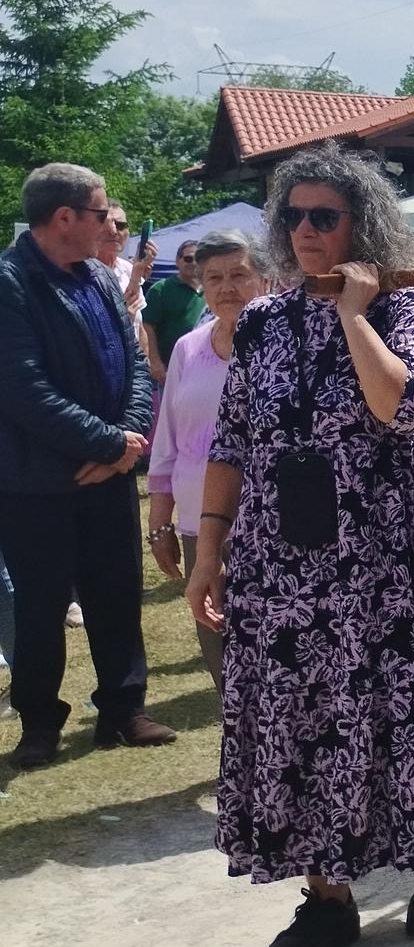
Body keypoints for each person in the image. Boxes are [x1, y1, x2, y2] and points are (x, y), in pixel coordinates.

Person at [183, 144, 414, 947]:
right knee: (297, 713)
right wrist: (208, 547)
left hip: (382, 555)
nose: (305, 230)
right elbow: (231, 441)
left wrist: (356, 314)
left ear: (362, 221)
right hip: (282, 556)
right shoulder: (259, 321)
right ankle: (326, 896)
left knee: (409, 701)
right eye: (294, 216)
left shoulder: (404, 306)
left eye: (324, 216)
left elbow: (396, 404)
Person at [0, 164, 170, 769]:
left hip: (110, 474)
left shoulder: (98, 276)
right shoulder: (11, 281)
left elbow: (132, 361)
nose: (111, 225)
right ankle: (40, 723)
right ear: (65, 218)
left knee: (118, 593)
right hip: (37, 483)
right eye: (103, 214)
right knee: (42, 605)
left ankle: (123, 710)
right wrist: (108, 445)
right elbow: (23, 389)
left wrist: (127, 445)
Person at [145, 229, 268, 691]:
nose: (226, 287)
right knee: (220, 652)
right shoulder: (187, 349)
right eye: (214, 277)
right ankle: (240, 759)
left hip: (271, 528)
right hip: (201, 525)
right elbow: (167, 441)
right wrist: (161, 522)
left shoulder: (282, 346)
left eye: (239, 274)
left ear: (264, 279)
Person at [142, 241, 207, 387]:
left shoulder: (211, 290)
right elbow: (147, 327)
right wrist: (155, 361)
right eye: (188, 259)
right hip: (169, 371)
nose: (193, 263)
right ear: (177, 261)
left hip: (203, 369)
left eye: (198, 259)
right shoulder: (161, 289)